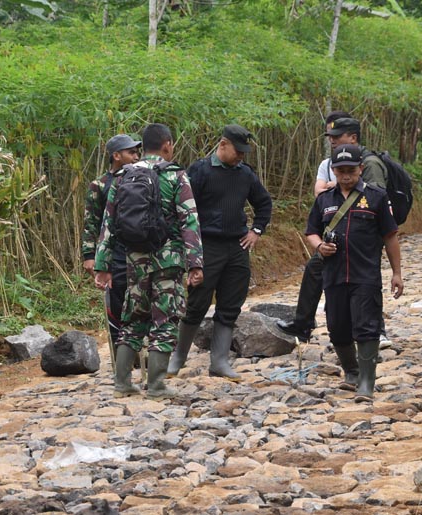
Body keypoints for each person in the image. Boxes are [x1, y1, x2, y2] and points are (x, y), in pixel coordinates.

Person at [94, 123, 204, 399]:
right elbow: (189, 220)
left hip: (135, 260)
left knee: (133, 319)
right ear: (167, 144)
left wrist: (102, 265)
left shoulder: (123, 176)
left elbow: (108, 224)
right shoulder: (176, 175)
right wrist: (196, 262)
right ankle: (156, 386)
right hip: (169, 260)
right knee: (165, 320)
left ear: (143, 147)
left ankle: (122, 384)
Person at [167, 124, 273, 381]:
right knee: (197, 302)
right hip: (207, 246)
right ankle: (177, 359)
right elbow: (183, 208)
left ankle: (220, 361)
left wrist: (256, 230)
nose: (241, 157)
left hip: (237, 246)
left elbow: (263, 203)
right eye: (238, 151)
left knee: (230, 304)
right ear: (223, 145)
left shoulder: (245, 174)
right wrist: (187, 247)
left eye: (244, 153)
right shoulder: (200, 171)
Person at [277, 115, 392, 344]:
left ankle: (376, 330)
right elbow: (319, 193)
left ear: (353, 138)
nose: (332, 141)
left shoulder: (370, 164)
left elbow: (377, 197)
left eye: (337, 136)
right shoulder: (328, 162)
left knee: (366, 280)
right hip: (335, 233)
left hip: (364, 233)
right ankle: (304, 324)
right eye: (330, 137)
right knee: (317, 269)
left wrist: (338, 185)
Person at [309, 144, 403, 402]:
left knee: (366, 327)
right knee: (337, 326)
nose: (346, 175)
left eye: (351, 169)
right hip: (334, 274)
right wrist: (319, 246)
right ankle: (351, 371)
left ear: (361, 168)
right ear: (334, 172)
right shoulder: (324, 200)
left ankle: (366, 382)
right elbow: (311, 230)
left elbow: (390, 236)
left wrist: (397, 273)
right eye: (340, 171)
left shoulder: (376, 197)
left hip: (365, 274)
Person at [82, 134, 142, 350]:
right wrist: (90, 256)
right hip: (114, 255)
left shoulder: (142, 178)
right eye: (131, 152)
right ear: (116, 155)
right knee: (116, 304)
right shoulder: (100, 184)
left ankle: (143, 352)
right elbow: (92, 222)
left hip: (139, 253)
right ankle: (121, 356)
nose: (136, 157)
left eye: (137, 152)